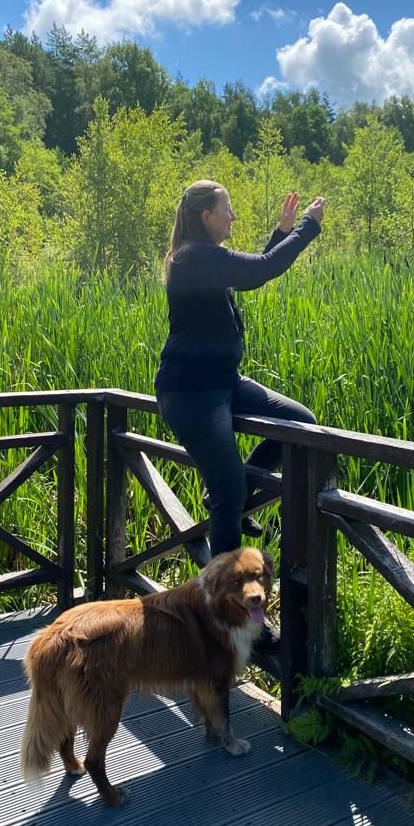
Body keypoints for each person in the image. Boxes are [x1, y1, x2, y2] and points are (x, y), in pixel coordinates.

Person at [154, 180, 324, 651]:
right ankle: (231, 619)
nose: (233, 216)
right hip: (191, 392)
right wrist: (307, 227)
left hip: (224, 383)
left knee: (301, 424)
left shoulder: (203, 259)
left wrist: (281, 233)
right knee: (227, 490)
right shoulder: (192, 257)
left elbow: (252, 270)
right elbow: (261, 271)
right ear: (205, 216)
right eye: (226, 209)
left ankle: (235, 495)